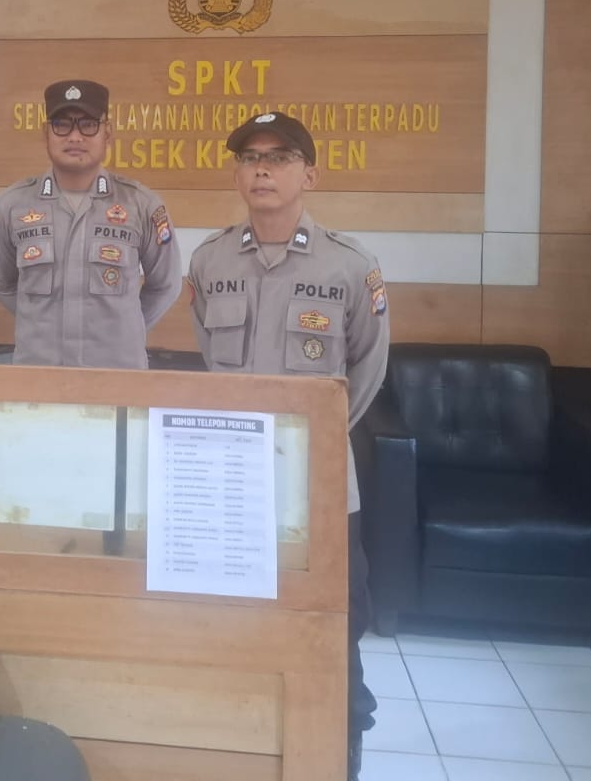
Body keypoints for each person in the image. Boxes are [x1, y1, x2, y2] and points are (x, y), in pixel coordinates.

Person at [185, 110, 388, 779]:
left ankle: (339, 749)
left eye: (279, 157)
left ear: (310, 174)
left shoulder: (351, 266)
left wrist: (313, 437)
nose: (262, 169)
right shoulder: (210, 260)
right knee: (235, 624)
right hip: (231, 482)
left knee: (334, 625)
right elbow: (208, 354)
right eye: (250, 158)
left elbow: (368, 369)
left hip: (318, 485)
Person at [0, 79, 182, 368]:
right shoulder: (12, 206)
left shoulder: (141, 205)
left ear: (107, 133)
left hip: (118, 374)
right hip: (39, 372)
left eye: (88, 125)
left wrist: (123, 330)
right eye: (62, 125)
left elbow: (166, 286)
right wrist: (42, 323)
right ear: (46, 133)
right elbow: (1, 283)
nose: (75, 137)